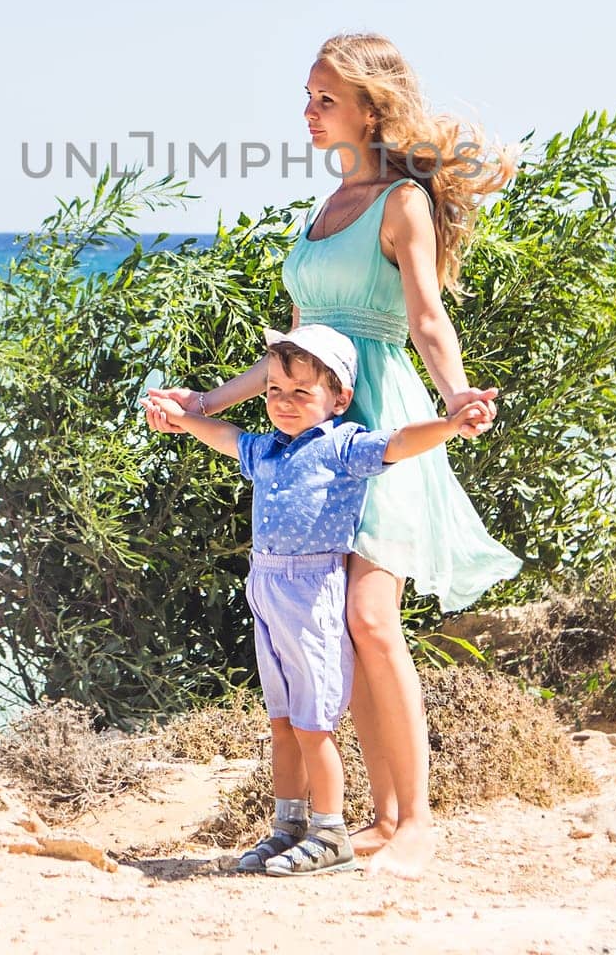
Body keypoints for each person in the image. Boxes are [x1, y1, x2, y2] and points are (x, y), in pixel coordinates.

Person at [148, 31, 523, 879]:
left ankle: (415, 822)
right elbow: (296, 351)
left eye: (324, 99)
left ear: (370, 109)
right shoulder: (322, 215)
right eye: (308, 98)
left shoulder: (402, 203)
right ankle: (380, 821)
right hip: (312, 436)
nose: (308, 113)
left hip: (380, 417)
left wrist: (458, 396)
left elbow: (426, 317)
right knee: (339, 627)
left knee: (371, 617)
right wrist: (208, 402)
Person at [142, 323, 493, 878]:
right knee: (282, 721)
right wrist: (179, 416)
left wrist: (452, 423)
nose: (283, 403)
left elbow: (400, 441)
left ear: (339, 399)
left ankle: (331, 832)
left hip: (315, 594)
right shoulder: (265, 450)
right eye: (276, 391)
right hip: (268, 592)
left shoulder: (345, 447)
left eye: (301, 393)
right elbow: (223, 434)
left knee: (314, 724)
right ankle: (289, 827)